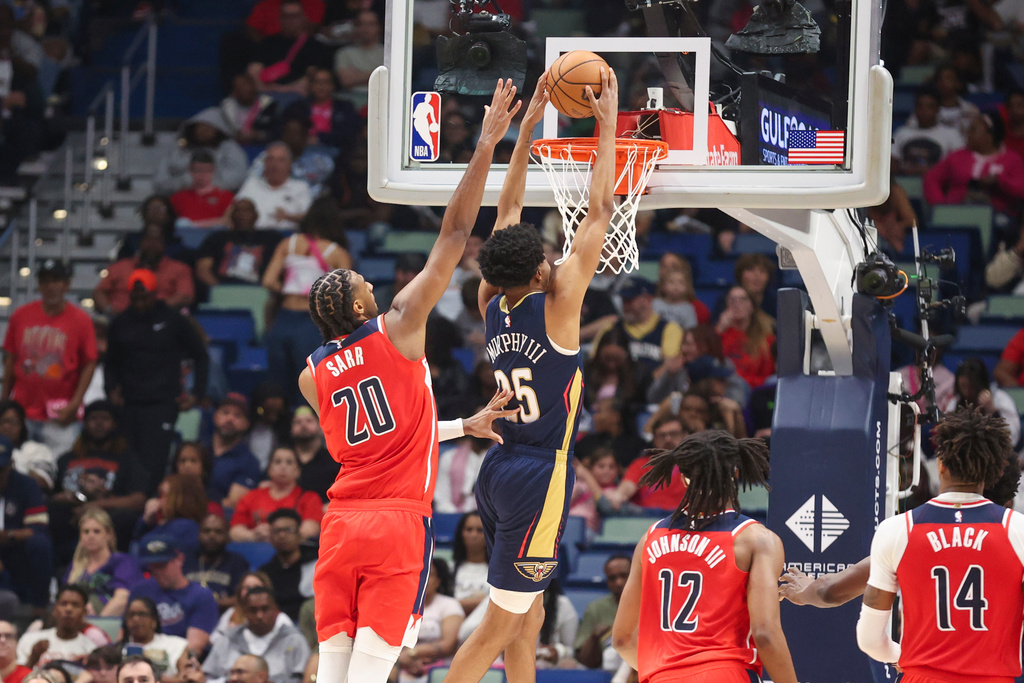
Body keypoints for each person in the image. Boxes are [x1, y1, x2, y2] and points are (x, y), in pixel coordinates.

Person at [297, 79, 523, 683]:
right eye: (360, 282)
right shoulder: (399, 325)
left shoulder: (310, 376)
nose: (370, 281)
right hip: (396, 521)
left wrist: (462, 425)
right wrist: (484, 147)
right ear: (356, 305)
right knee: (373, 673)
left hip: (341, 521)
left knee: (335, 674)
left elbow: (390, 438)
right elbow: (453, 236)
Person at [443, 68, 617, 682]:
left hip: (497, 468)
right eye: (547, 257)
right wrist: (607, 122)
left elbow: (508, 208)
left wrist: (528, 127)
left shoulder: (491, 296)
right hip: (540, 475)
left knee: (530, 612)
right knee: (498, 621)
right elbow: (600, 209)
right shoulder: (561, 301)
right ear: (541, 272)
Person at [610, 430, 798, 683]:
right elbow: (764, 633)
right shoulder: (755, 539)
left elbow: (622, 639)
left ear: (684, 478)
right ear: (735, 473)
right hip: (726, 673)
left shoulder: (650, 538)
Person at [858, 406, 1024, 681]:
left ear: (941, 465)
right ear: (989, 471)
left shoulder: (896, 530)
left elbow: (870, 641)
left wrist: (907, 657)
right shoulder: (1016, 530)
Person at [105, 270, 209, 495]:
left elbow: (200, 354)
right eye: (136, 297)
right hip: (129, 403)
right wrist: (110, 388)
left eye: (145, 296)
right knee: (129, 459)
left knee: (155, 460)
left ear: (155, 293)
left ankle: (150, 505)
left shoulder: (173, 320)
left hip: (162, 403)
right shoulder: (120, 322)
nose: (140, 302)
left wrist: (196, 393)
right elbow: (110, 361)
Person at [2, 259, 97, 456]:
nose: (50, 286)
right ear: (39, 285)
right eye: (45, 281)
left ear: (66, 284)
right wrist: (4, 401)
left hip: (60, 414)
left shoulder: (81, 320)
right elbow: (11, 359)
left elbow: (89, 362)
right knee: (17, 465)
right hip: (23, 411)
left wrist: (75, 403)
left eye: (56, 280)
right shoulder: (21, 315)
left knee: (57, 466)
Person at [262, 198, 352, 405]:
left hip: (283, 317)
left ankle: (279, 421)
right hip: (313, 321)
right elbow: (345, 294)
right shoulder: (337, 253)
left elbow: (268, 280)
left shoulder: (289, 244)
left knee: (277, 377)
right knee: (309, 378)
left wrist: (289, 288)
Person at [50, 400, 147, 560]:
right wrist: (66, 498)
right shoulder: (66, 459)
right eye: (94, 419)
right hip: (70, 515)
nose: (99, 424)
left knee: (126, 517)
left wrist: (97, 504)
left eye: (105, 419)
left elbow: (138, 500)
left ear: (115, 424)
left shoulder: (127, 459)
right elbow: (52, 495)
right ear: (85, 423)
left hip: (108, 515)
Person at [128, 534, 220, 655]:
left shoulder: (201, 595)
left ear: (179, 559)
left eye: (162, 565)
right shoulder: (140, 590)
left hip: (177, 659)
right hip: (138, 658)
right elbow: (125, 634)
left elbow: (194, 648)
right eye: (152, 566)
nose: (157, 571)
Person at [202, 588, 309, 683]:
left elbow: (304, 678)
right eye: (253, 610)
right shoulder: (227, 639)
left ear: (276, 609)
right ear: (244, 611)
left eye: (265, 609)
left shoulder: (294, 640)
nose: (259, 616)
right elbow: (207, 677)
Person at [0, 435, 52, 613]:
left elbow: (38, 527)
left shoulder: (26, 485)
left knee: (40, 544)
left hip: (15, 549)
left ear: (11, 464)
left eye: (1, 469)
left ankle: (39, 607)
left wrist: (10, 535)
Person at [93, 226, 196, 316]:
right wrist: (109, 310)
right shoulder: (120, 267)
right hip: (119, 319)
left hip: (162, 320)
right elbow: (99, 292)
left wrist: (154, 309)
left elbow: (185, 296)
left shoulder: (179, 269)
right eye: (148, 240)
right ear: (140, 243)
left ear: (164, 244)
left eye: (157, 241)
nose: (152, 245)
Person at [229, 447, 322, 541]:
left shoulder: (309, 498)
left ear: (297, 471)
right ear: (269, 469)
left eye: (289, 462)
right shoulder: (251, 496)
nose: (283, 467)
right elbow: (235, 531)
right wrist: (253, 535)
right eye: (278, 462)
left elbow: (311, 530)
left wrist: (280, 534)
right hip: (258, 547)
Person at [64, 508, 143, 617]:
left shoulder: (122, 562)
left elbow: (122, 599)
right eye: (86, 531)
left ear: (109, 534)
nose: (90, 536)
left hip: (110, 622)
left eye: (96, 531)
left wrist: (97, 623)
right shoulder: (75, 566)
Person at [604, 413, 688, 513]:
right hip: (646, 522)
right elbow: (626, 488)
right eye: (662, 435)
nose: (668, 439)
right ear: (655, 439)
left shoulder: (696, 465)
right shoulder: (641, 464)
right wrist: (618, 495)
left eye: (674, 434)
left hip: (684, 522)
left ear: (685, 435)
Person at [396, 559, 464, 682]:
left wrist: (414, 653)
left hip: (441, 667)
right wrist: (403, 658)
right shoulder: (401, 605)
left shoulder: (449, 605)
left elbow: (449, 645)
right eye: (419, 574)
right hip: (406, 666)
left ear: (438, 581)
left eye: (429, 575)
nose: (424, 579)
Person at [154, 109, 250, 195]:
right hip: (179, 197)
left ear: (218, 130)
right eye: (200, 127)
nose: (204, 132)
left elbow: (237, 177)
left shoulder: (230, 148)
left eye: (209, 128)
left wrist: (205, 186)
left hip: (219, 199)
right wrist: (184, 184)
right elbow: (160, 180)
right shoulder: (178, 149)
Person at [194, 200, 283, 293]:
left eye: (247, 211)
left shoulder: (272, 238)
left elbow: (282, 269)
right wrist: (220, 290)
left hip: (261, 291)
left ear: (256, 216)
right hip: (222, 290)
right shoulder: (216, 238)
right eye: (238, 211)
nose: (242, 215)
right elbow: (202, 269)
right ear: (231, 216)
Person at [202, 394, 262, 510]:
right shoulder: (199, 450)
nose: (230, 419)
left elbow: (232, 503)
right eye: (225, 412)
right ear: (215, 416)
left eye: (237, 416)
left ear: (246, 424)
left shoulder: (249, 462)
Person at [235, 143, 313, 230]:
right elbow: (233, 210)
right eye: (270, 159)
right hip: (252, 235)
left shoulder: (300, 187)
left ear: (290, 165)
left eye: (281, 160)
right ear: (264, 163)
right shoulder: (252, 183)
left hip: (285, 236)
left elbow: (309, 218)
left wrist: (288, 216)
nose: (275, 165)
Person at [256, 510, 316, 623]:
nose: (282, 535)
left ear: (299, 535)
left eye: (288, 530)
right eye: (277, 531)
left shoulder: (316, 565)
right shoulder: (265, 572)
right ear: (270, 537)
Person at [574, 555, 631, 671]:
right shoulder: (595, 609)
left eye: (624, 576)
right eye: (612, 578)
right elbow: (584, 660)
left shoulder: (652, 604)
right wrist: (594, 638)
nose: (619, 582)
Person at [16, 586, 97, 667]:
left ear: (84, 612)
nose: (69, 609)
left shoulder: (90, 650)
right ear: (55, 610)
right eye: (64, 604)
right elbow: (17, 677)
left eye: (75, 605)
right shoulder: (30, 639)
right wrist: (33, 659)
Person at [184, 514, 250, 612]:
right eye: (207, 531)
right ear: (199, 535)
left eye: (218, 532)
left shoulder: (237, 562)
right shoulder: (186, 561)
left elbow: (243, 597)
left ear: (227, 536)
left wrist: (211, 604)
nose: (212, 536)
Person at [892, 87, 965, 176]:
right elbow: (892, 163)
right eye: (920, 106)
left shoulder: (952, 134)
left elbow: (959, 165)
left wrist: (932, 171)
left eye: (929, 107)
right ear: (915, 108)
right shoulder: (901, 133)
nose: (924, 111)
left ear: (937, 109)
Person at [716, 285, 776, 390]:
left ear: (752, 306)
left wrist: (742, 381)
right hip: (721, 389)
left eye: (742, 299)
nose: (737, 304)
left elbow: (766, 377)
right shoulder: (720, 334)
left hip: (751, 389)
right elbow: (708, 363)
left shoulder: (766, 340)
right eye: (732, 300)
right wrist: (719, 329)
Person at [133, 475, 207, 557]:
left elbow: (150, 548)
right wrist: (147, 522)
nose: (159, 501)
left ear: (181, 499)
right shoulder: (167, 524)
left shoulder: (186, 526)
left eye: (164, 496)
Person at [120, 597, 189, 679]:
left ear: (154, 620)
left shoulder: (177, 645)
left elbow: (186, 678)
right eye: (131, 615)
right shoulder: (117, 651)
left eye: (142, 614)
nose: (136, 619)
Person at [169, 151, 236, 229]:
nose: (202, 174)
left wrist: (192, 225)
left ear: (213, 170)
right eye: (197, 170)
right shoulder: (178, 198)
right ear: (190, 170)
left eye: (206, 170)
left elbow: (228, 222)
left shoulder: (227, 197)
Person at [0, 399, 55, 492]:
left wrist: (10, 469)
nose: (7, 426)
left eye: (12, 422)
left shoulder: (37, 449)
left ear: (22, 425)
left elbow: (43, 482)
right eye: (2, 421)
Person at [289, 406, 338, 504]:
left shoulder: (334, 460)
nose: (303, 425)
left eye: (309, 421)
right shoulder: (283, 458)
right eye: (298, 422)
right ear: (291, 429)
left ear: (321, 427)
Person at [452, 512, 489, 616]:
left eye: (480, 530)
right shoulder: (450, 570)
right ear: (461, 533)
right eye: (469, 529)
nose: (474, 535)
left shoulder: (500, 572)